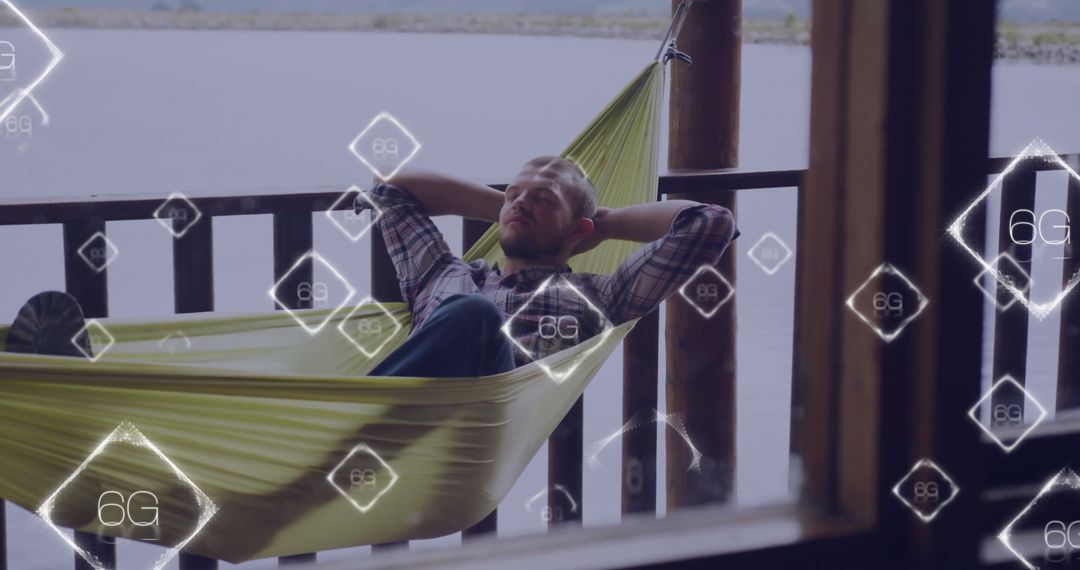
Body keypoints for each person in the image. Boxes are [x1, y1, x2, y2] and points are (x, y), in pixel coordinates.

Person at [363, 155, 739, 379]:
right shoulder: (441, 273)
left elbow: (710, 224)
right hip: (408, 409)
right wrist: (507, 209)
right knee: (469, 311)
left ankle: (353, 424)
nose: (521, 203)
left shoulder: (599, 297)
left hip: (491, 412)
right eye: (514, 194)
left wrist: (600, 225)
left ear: (579, 229)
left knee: (474, 313)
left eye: (543, 200)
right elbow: (388, 187)